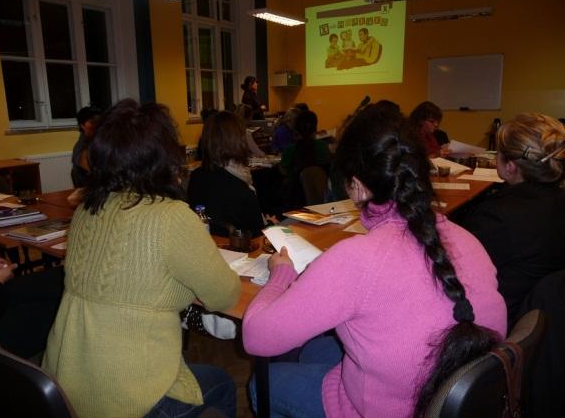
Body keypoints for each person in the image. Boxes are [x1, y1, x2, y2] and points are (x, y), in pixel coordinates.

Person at [242, 105, 506, 417]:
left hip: (390, 408)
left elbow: (257, 338)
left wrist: (280, 275)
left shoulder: (357, 259)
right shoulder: (469, 240)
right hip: (456, 401)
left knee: (266, 382)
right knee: (314, 348)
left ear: (356, 185)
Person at [42, 99, 240, 418]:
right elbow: (224, 295)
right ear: (165, 157)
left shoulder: (86, 210)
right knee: (223, 384)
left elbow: (129, 285)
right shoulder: (171, 217)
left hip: (67, 382)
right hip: (131, 394)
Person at [463, 113, 565, 326]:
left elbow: (457, 272)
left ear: (510, 165)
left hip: (502, 320)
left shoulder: (498, 216)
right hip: (544, 321)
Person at [188, 110, 266, 237]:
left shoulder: (196, 176)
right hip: (240, 248)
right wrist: (271, 225)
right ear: (239, 140)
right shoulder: (240, 187)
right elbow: (257, 234)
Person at [280, 110, 331, 208]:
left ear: (296, 129)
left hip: (296, 199)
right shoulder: (323, 146)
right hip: (322, 197)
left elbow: (283, 170)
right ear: (315, 128)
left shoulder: (291, 149)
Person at [71, 106, 102, 188]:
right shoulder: (81, 147)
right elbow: (98, 174)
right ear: (82, 125)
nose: (97, 125)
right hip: (91, 190)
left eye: (99, 122)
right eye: (92, 122)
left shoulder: (100, 141)